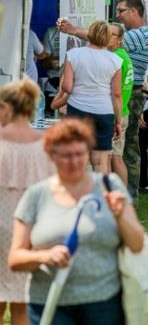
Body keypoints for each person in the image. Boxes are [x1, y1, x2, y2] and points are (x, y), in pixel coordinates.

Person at [9, 119, 144, 325]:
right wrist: (46, 256)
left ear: (88, 152)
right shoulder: (36, 195)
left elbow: (137, 244)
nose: (73, 162)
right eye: (66, 156)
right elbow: (15, 259)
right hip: (49, 302)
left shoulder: (110, 185)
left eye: (79, 154)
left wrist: (121, 216)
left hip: (103, 302)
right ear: (52, 156)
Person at [61, 0, 148, 199]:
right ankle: (123, 196)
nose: (117, 14)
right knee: (119, 153)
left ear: (133, 11)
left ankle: (127, 197)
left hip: (126, 98)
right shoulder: (134, 39)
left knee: (123, 153)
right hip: (129, 97)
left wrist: (73, 30)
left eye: (121, 10)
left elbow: (99, 38)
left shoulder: (135, 37)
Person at [0, 79, 54, 325]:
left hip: (2, 225)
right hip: (31, 232)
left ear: (6, 108)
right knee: (23, 304)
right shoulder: (46, 147)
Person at [52, 20, 122, 174]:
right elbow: (116, 94)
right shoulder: (116, 60)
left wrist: (63, 99)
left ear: (90, 34)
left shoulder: (73, 55)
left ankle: (77, 194)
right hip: (104, 111)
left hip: (78, 109)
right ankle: (100, 196)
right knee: (100, 162)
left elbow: (67, 87)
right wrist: (118, 120)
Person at [108, 23, 133, 186]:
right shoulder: (124, 55)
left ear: (120, 39)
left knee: (108, 159)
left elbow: (116, 92)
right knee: (117, 157)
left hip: (115, 113)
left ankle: (111, 199)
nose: (107, 38)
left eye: (112, 35)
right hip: (122, 111)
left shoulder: (115, 57)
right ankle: (124, 198)